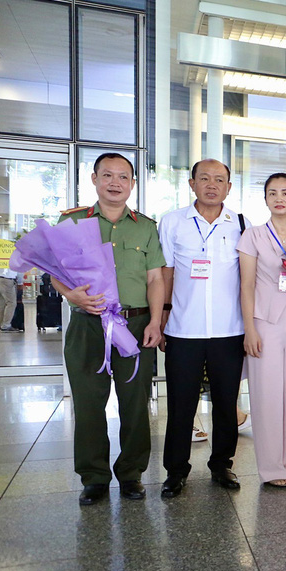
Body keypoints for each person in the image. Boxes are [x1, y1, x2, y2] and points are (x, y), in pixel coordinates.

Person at [53, 153, 165, 505]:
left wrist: (156, 322)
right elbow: (54, 270)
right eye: (108, 176)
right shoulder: (71, 222)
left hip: (136, 324)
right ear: (94, 179)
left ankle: (131, 475)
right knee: (88, 403)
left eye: (123, 177)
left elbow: (155, 278)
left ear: (132, 183)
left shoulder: (146, 226)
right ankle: (94, 477)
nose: (115, 183)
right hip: (88, 324)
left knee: (135, 404)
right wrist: (71, 295)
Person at [158, 159, 247, 498]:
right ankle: (176, 470)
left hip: (229, 328)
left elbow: (249, 277)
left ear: (228, 187)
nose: (212, 185)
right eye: (205, 178)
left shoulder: (240, 223)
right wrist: (164, 314)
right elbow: (165, 272)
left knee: (226, 401)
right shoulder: (172, 222)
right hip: (184, 327)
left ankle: (222, 463)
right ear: (191, 183)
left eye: (220, 180)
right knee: (182, 403)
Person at [237, 174, 286, 487]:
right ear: (266, 199)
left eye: (285, 192)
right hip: (264, 323)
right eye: (272, 193)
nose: (279, 198)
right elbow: (245, 285)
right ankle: (271, 468)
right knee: (266, 394)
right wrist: (249, 329)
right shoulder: (252, 236)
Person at [0, 267, 18, 332]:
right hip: (7, 279)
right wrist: (20, 282)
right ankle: (6, 325)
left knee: (1, 303)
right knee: (11, 302)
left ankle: (2, 324)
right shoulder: (13, 257)